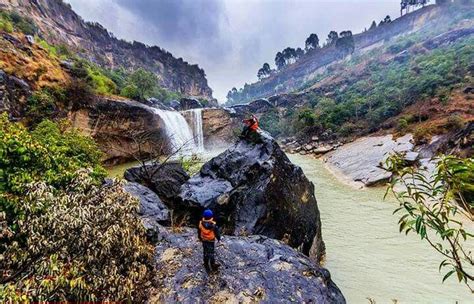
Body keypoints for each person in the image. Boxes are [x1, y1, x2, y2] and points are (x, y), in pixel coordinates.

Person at [198, 209, 221, 273]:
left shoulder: (201, 224)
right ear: (211, 218)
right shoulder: (213, 226)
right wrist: (218, 238)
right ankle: (212, 265)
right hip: (211, 241)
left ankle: (205, 263)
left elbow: (199, 231)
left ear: (203, 217)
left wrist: (199, 237)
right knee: (211, 253)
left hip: (204, 240)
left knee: (205, 251)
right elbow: (217, 233)